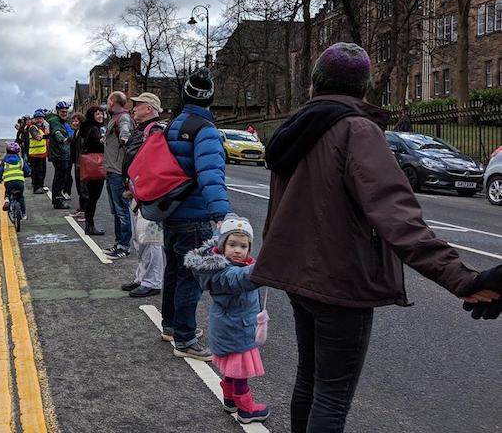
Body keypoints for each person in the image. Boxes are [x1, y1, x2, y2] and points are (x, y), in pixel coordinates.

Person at [251, 42, 502, 433]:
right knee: (331, 397)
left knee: (309, 380)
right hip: (341, 282)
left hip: (296, 277)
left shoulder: (295, 131)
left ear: (314, 86)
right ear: (363, 90)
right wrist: (463, 278)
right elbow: (397, 216)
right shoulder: (357, 130)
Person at [161, 67, 231, 361]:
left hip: (171, 209)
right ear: (211, 99)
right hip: (195, 213)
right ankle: (185, 338)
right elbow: (210, 174)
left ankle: (170, 325)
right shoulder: (205, 129)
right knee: (191, 276)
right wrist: (221, 213)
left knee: (174, 270)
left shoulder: (174, 124)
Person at [185, 214, 269, 424]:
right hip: (237, 330)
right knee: (240, 371)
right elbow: (241, 279)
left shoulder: (226, 266)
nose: (238, 250)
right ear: (222, 247)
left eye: (243, 246)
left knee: (233, 367)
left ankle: (230, 400)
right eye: (232, 244)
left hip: (231, 327)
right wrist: (266, 267)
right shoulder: (225, 273)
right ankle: (246, 409)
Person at [119, 92, 166, 298]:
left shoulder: (154, 130)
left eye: (138, 105)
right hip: (138, 192)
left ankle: (153, 281)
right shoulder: (145, 130)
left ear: (149, 108)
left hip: (149, 194)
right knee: (140, 238)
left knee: (151, 239)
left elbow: (153, 162)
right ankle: (142, 277)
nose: (134, 108)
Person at [102, 91, 135, 259]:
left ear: (113, 102)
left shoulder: (123, 118)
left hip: (118, 171)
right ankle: (118, 243)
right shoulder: (114, 119)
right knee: (116, 211)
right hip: (111, 169)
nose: (107, 103)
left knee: (121, 211)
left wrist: (124, 138)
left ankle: (123, 246)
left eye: (108, 100)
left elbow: (125, 133)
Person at [78, 106, 107, 236]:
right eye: (97, 114)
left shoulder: (87, 128)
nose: (100, 116)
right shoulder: (95, 129)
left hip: (88, 166)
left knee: (91, 197)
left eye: (101, 113)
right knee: (93, 198)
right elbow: (101, 143)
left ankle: (89, 225)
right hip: (95, 166)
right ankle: (90, 226)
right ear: (92, 116)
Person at [0, 142, 31, 220]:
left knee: (7, 192)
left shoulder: (4, 160)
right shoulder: (21, 160)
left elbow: (0, 171)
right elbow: (27, 170)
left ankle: (7, 199)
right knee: (21, 197)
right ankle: (24, 214)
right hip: (19, 182)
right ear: (18, 152)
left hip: (8, 182)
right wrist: (26, 175)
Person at [46, 101, 72, 209]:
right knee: (59, 177)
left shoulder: (62, 121)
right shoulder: (56, 122)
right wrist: (63, 140)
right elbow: (57, 132)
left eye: (66, 111)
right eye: (62, 111)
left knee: (62, 177)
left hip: (62, 153)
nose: (65, 113)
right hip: (59, 154)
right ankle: (57, 201)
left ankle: (58, 199)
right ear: (58, 111)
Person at [68, 112, 87, 219]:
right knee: (80, 188)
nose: (74, 123)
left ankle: (85, 212)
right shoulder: (76, 133)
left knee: (84, 189)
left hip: (83, 164)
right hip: (77, 163)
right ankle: (81, 209)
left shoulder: (83, 133)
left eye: (76, 121)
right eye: (73, 121)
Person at [27, 109, 49, 194]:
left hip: (42, 154)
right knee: (37, 172)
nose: (39, 120)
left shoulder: (42, 128)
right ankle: (36, 188)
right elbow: (37, 137)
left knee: (42, 172)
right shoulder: (33, 127)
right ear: (34, 119)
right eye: (37, 118)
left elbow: (45, 137)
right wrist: (44, 135)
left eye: (41, 118)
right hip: (35, 154)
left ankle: (41, 186)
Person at [63, 116, 75, 201]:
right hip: (68, 152)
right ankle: (66, 192)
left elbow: (70, 136)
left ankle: (66, 192)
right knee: (66, 173)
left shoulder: (66, 125)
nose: (74, 123)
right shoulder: (64, 125)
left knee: (67, 173)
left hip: (70, 152)